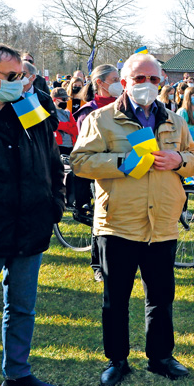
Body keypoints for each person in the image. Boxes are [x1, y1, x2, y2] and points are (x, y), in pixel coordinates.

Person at [71, 53, 194, 386]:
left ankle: (160, 357)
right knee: (116, 297)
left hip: (162, 224)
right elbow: (80, 162)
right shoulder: (102, 119)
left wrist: (178, 159)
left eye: (154, 80)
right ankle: (117, 360)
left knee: (161, 295)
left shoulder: (175, 120)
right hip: (118, 223)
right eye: (139, 79)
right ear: (125, 82)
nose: (147, 85)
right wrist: (122, 162)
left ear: (162, 83)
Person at [0, 41, 64, 386]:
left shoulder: (30, 106)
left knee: (22, 307)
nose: (21, 82)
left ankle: (17, 375)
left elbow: (52, 159)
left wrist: (54, 203)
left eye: (23, 75)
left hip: (30, 227)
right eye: (12, 76)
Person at [71, 64, 123, 282]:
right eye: (114, 79)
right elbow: (86, 148)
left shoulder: (123, 106)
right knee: (100, 218)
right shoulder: (88, 111)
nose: (119, 84)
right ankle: (98, 264)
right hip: (101, 172)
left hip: (124, 171)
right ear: (100, 83)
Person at [52, 87, 78, 156]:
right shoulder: (50, 112)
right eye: (63, 99)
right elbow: (54, 125)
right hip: (57, 146)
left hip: (70, 146)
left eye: (67, 99)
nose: (66, 101)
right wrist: (68, 125)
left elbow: (75, 130)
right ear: (54, 100)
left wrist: (62, 125)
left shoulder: (67, 113)